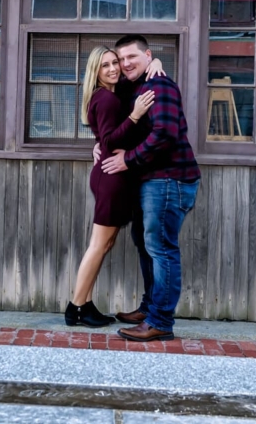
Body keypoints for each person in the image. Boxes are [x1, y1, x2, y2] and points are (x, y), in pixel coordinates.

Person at [101, 34, 200, 342]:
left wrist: (128, 160)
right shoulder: (139, 85)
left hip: (169, 179)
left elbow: (165, 134)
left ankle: (160, 321)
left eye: (133, 57)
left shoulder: (160, 85)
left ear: (147, 55)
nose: (126, 63)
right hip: (152, 180)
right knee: (146, 245)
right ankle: (149, 308)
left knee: (161, 249)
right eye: (121, 59)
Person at [65, 46, 156, 327]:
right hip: (111, 179)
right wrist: (135, 115)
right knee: (98, 245)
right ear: (96, 71)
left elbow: (103, 139)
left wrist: (157, 60)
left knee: (105, 244)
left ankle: (85, 303)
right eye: (105, 65)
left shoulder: (111, 94)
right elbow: (107, 141)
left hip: (112, 177)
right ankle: (75, 308)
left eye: (114, 62)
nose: (113, 69)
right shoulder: (105, 98)